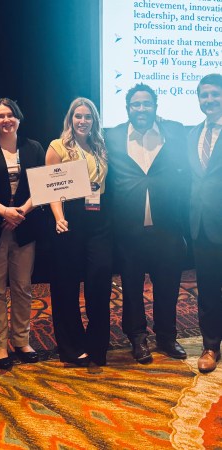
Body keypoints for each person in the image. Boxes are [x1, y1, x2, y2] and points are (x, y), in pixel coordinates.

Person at [105, 83, 188, 364]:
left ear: (155, 106)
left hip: (168, 226)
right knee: (131, 288)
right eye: (136, 104)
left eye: (146, 104)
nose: (141, 109)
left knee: (168, 285)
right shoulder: (112, 136)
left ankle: (167, 336)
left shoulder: (173, 131)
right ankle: (137, 337)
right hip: (128, 229)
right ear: (128, 108)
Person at [0, 98, 45, 370]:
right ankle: (0, 345)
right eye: (0, 116)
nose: (6, 120)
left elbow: (44, 185)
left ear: (19, 118)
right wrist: (4, 212)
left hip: (25, 226)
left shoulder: (33, 147)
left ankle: (21, 341)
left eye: (10, 115)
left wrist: (21, 212)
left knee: (22, 287)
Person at [45, 97, 112, 367]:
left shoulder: (100, 146)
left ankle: (97, 345)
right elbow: (51, 188)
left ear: (94, 120)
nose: (83, 121)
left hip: (98, 219)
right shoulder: (58, 146)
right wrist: (59, 217)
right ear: (70, 119)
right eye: (78, 116)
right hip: (69, 218)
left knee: (100, 280)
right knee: (66, 285)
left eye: (88, 117)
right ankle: (71, 347)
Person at [188, 73, 222, 373]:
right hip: (202, 224)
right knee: (208, 289)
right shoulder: (193, 133)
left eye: (214, 94)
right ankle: (211, 346)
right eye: (204, 95)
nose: (209, 100)